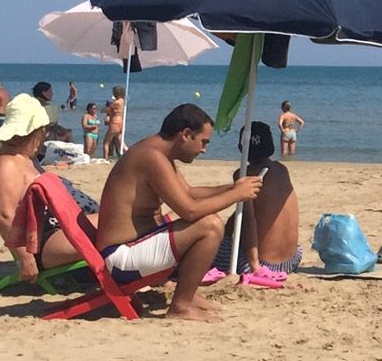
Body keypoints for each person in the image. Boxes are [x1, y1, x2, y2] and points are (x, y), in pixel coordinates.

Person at [96, 103, 263, 321]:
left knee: (208, 221)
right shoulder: (151, 157)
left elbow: (189, 193)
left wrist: (233, 187)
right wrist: (236, 195)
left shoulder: (157, 153)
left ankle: (188, 296)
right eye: (203, 142)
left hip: (130, 248)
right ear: (185, 134)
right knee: (210, 226)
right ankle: (181, 306)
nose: (204, 149)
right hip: (120, 258)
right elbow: (189, 210)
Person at [0, 95, 91, 282]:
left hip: (62, 232)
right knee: (117, 222)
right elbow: (4, 215)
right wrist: (25, 257)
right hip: (46, 242)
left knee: (121, 220)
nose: (45, 135)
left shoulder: (25, 160)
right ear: (35, 132)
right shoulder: (6, 165)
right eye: (44, 131)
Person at [213, 121, 302, 278]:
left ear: (242, 148)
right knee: (228, 234)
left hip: (262, 263)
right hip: (292, 260)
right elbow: (249, 211)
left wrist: (255, 265)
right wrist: (227, 231)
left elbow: (249, 220)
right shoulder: (282, 169)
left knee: (210, 248)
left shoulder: (244, 174)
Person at [103, 86, 126, 159]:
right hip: (120, 123)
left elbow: (106, 109)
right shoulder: (122, 101)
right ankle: (130, 154)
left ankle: (105, 158)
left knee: (106, 143)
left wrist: (106, 109)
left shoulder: (116, 102)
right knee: (121, 143)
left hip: (114, 123)